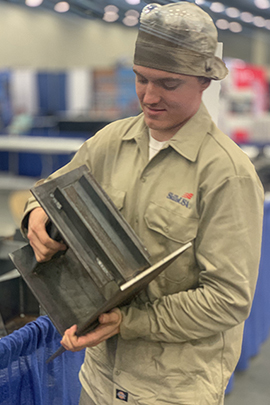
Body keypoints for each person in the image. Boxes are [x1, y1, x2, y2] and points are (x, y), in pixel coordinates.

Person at [22, 2, 264, 404]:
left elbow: (227, 299)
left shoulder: (226, 174)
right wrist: (37, 212)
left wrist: (128, 321)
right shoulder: (111, 142)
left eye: (168, 84)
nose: (149, 96)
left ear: (205, 81)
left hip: (171, 390)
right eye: (141, 79)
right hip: (99, 378)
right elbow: (50, 187)